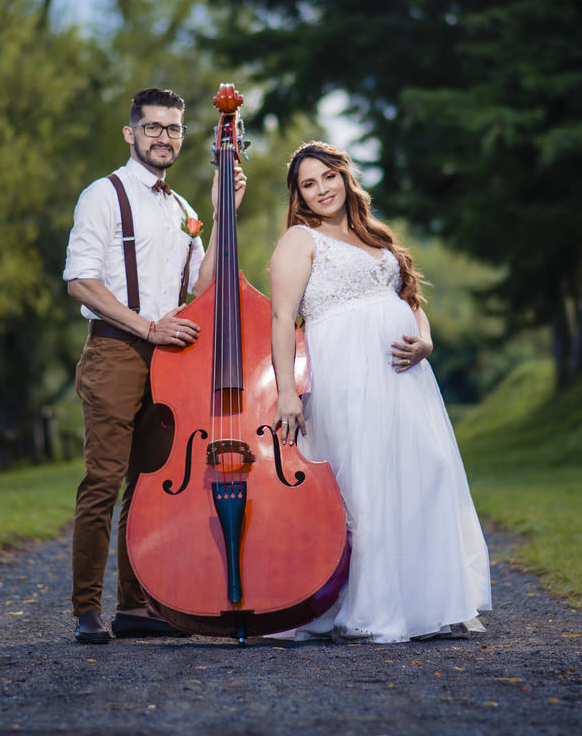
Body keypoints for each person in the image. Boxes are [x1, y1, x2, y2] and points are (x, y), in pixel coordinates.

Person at [268, 141, 491, 643]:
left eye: (328, 177)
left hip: (402, 378)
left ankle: (425, 602)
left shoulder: (377, 236)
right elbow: (283, 319)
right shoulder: (300, 241)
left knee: (422, 472)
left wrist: (427, 340)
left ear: (346, 177)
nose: (322, 189)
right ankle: (368, 608)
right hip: (344, 377)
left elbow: (410, 300)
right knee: (363, 485)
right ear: (299, 196)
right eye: (309, 183)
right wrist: (287, 391)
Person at [63, 88, 246, 644]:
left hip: (171, 363)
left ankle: (135, 606)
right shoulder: (103, 194)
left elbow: (202, 288)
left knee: (147, 485)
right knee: (103, 480)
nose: (163, 137)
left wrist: (222, 218)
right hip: (117, 350)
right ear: (131, 133)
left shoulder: (184, 209)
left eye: (173, 129)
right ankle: (87, 609)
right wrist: (146, 327)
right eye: (153, 127)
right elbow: (80, 281)